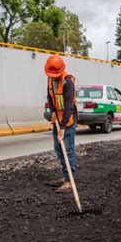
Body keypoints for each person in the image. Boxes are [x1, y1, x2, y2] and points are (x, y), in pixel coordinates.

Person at [44, 54, 78, 193]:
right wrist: (52, 110)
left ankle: (69, 181)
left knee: (68, 150)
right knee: (58, 148)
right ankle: (65, 175)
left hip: (68, 119)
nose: (53, 76)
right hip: (58, 118)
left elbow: (69, 106)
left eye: (55, 74)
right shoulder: (50, 79)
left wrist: (63, 127)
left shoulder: (67, 82)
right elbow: (49, 96)